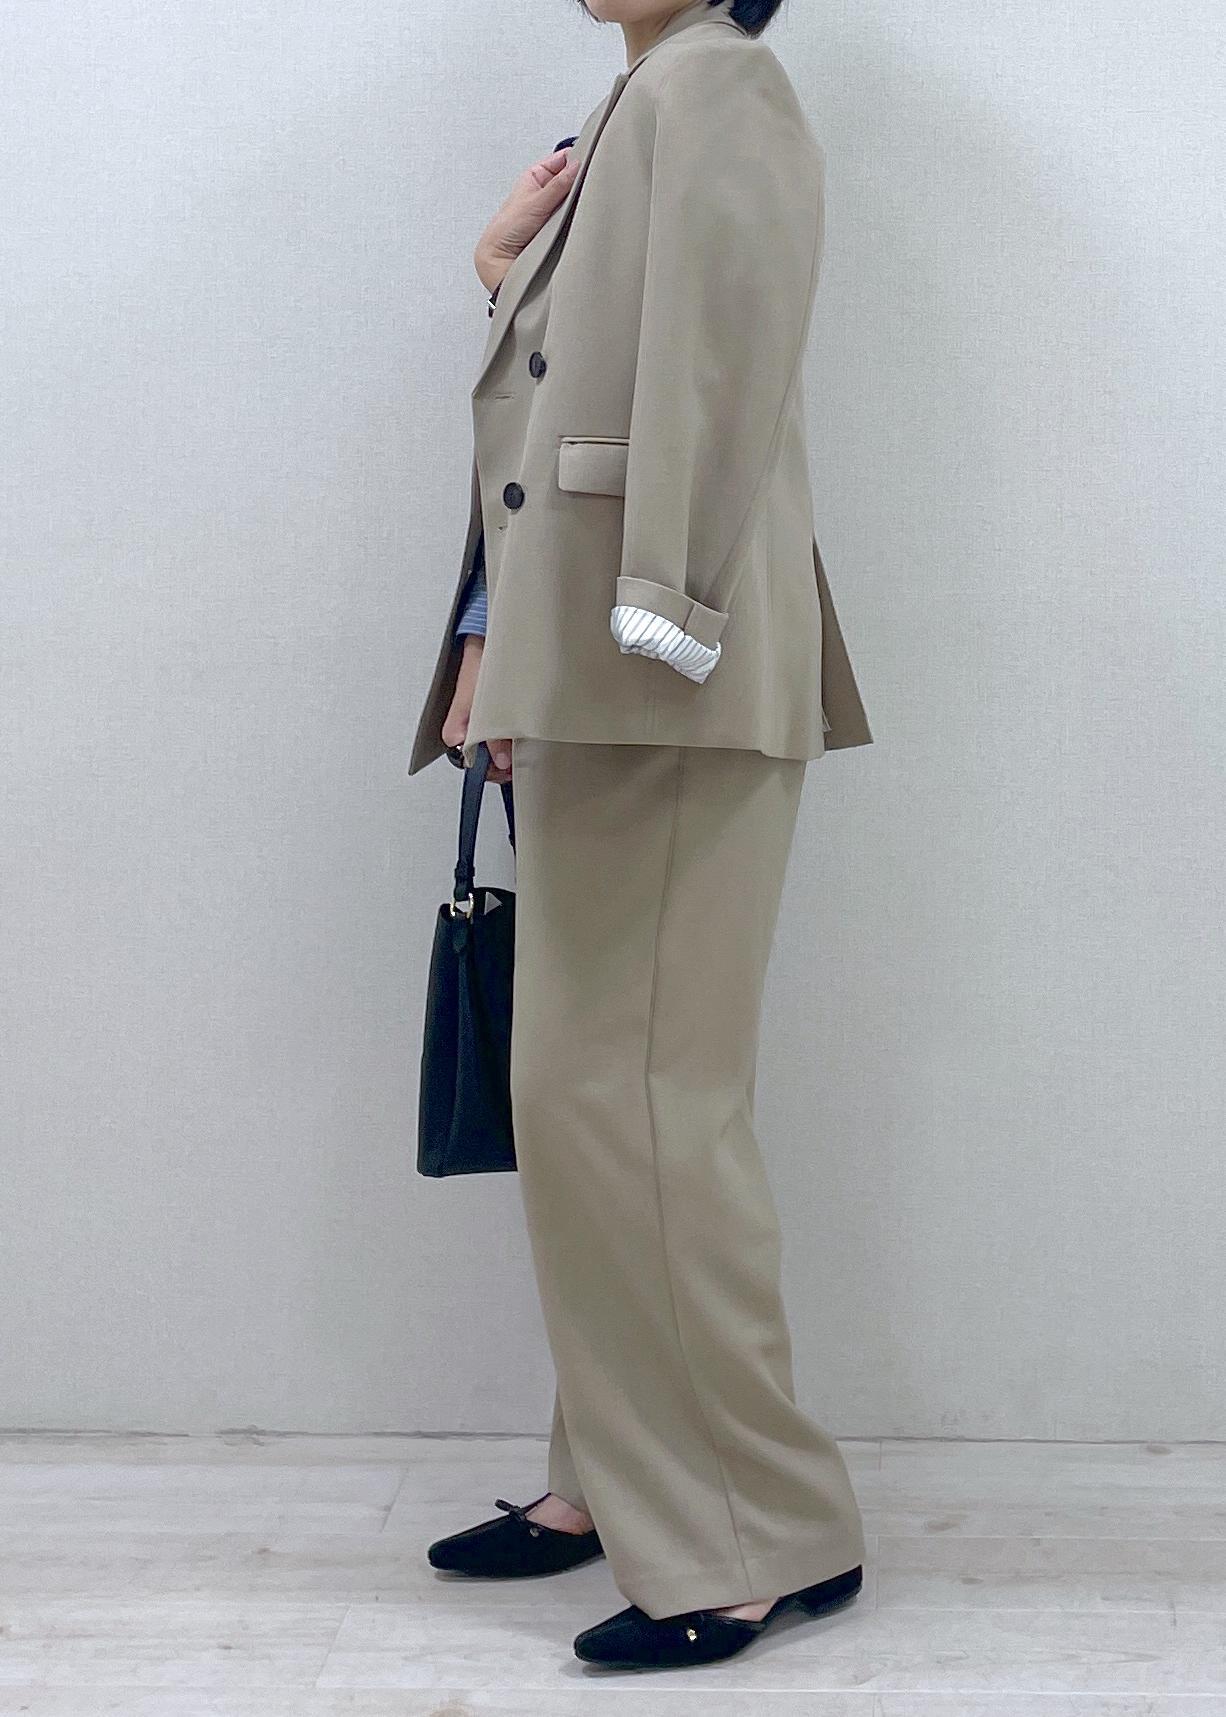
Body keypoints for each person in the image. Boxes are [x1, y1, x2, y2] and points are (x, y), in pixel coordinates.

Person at [408, 0, 873, 1672]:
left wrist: (658, 616)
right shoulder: (642, 96)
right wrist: (495, 647)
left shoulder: (718, 87)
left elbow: (718, 371)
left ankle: (758, 1531)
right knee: (596, 1099)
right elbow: (564, 409)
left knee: (642, 1106)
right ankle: (614, 1471)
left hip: (661, 669)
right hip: (597, 670)